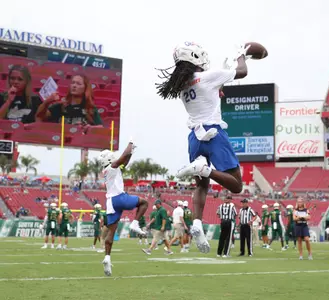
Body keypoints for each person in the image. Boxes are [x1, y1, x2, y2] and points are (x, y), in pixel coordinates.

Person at [155, 42, 250, 253]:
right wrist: (241, 54)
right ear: (197, 58)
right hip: (214, 134)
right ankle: (205, 169)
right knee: (236, 185)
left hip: (194, 138)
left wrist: (218, 89)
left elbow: (206, 94)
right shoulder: (208, 76)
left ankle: (197, 223)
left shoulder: (181, 85)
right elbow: (242, 72)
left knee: (201, 186)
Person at [97, 139, 148, 276]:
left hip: (110, 202)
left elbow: (124, 161)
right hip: (119, 197)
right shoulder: (112, 166)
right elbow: (123, 156)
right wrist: (130, 143)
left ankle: (107, 257)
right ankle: (135, 223)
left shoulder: (108, 170)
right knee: (144, 203)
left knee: (111, 232)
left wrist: (132, 152)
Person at [36, 74, 103, 127]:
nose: (74, 85)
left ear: (85, 88)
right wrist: (47, 102)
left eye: (78, 84)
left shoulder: (90, 108)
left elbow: (100, 127)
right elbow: (40, 116)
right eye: (73, 83)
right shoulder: (61, 106)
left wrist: (89, 127)